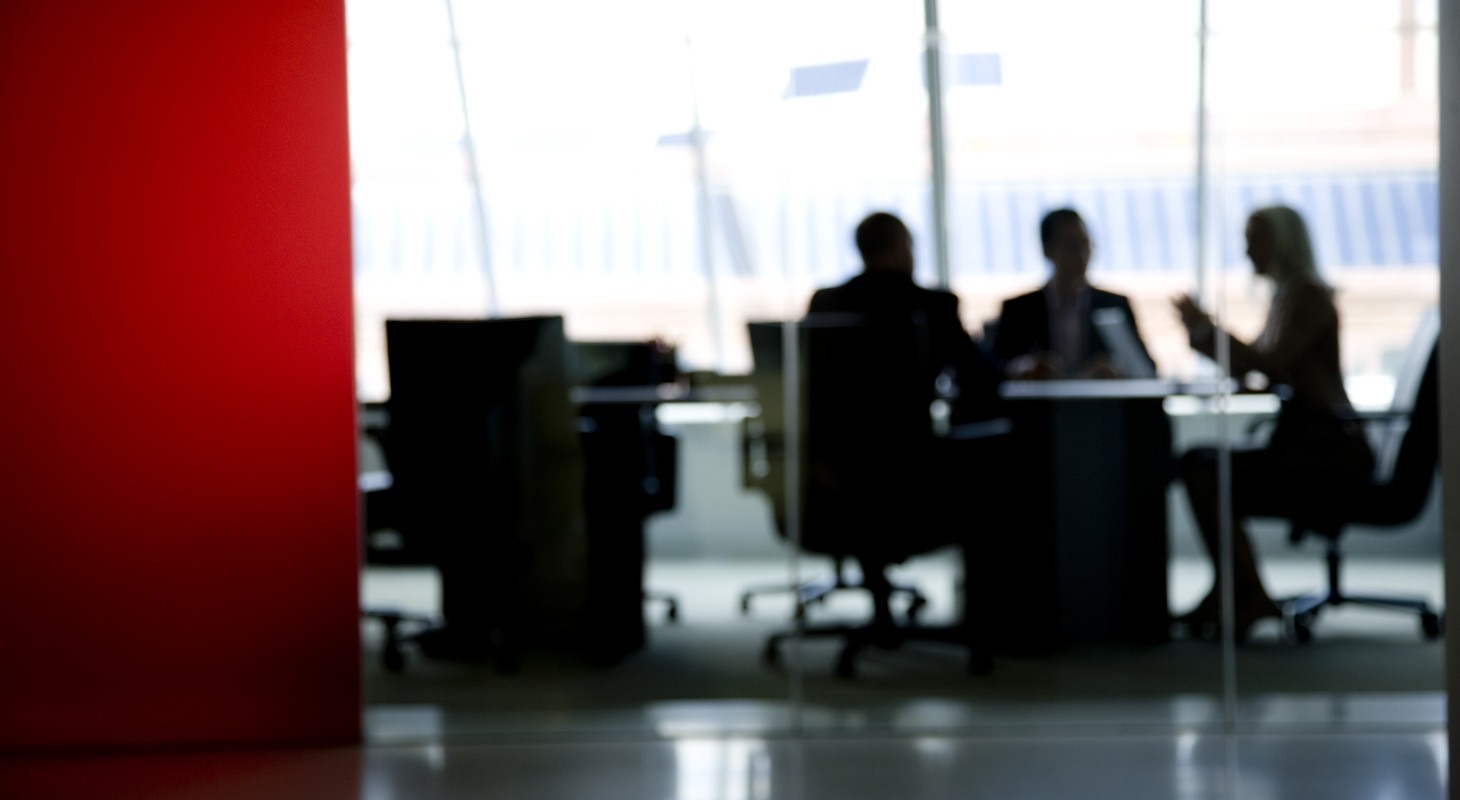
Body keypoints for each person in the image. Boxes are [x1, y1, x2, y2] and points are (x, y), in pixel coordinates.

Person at [804, 211, 1005, 660]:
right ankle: (988, 620)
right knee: (996, 468)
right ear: (900, 248)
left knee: (868, 497)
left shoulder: (827, 302)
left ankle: (881, 606)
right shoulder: (932, 304)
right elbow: (980, 376)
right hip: (916, 470)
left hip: (836, 470)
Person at [1172, 204, 1374, 639]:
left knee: (1201, 467)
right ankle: (1236, 589)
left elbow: (1271, 364)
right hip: (1306, 441)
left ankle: (1245, 592)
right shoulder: (1289, 296)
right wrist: (1206, 337)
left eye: (1254, 239)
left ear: (1282, 242)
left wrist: (1208, 333)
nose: (1246, 251)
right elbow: (1261, 368)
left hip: (1325, 451)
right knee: (1200, 463)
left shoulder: (1307, 297)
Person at [990, 208, 1155, 379]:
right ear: (1047, 250)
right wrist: (1024, 367)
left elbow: (1147, 368)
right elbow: (993, 366)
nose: (1081, 254)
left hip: (1101, 404)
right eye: (1071, 245)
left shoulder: (1114, 304)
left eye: (1085, 244)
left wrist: (1117, 368)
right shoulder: (1019, 309)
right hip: (1039, 404)